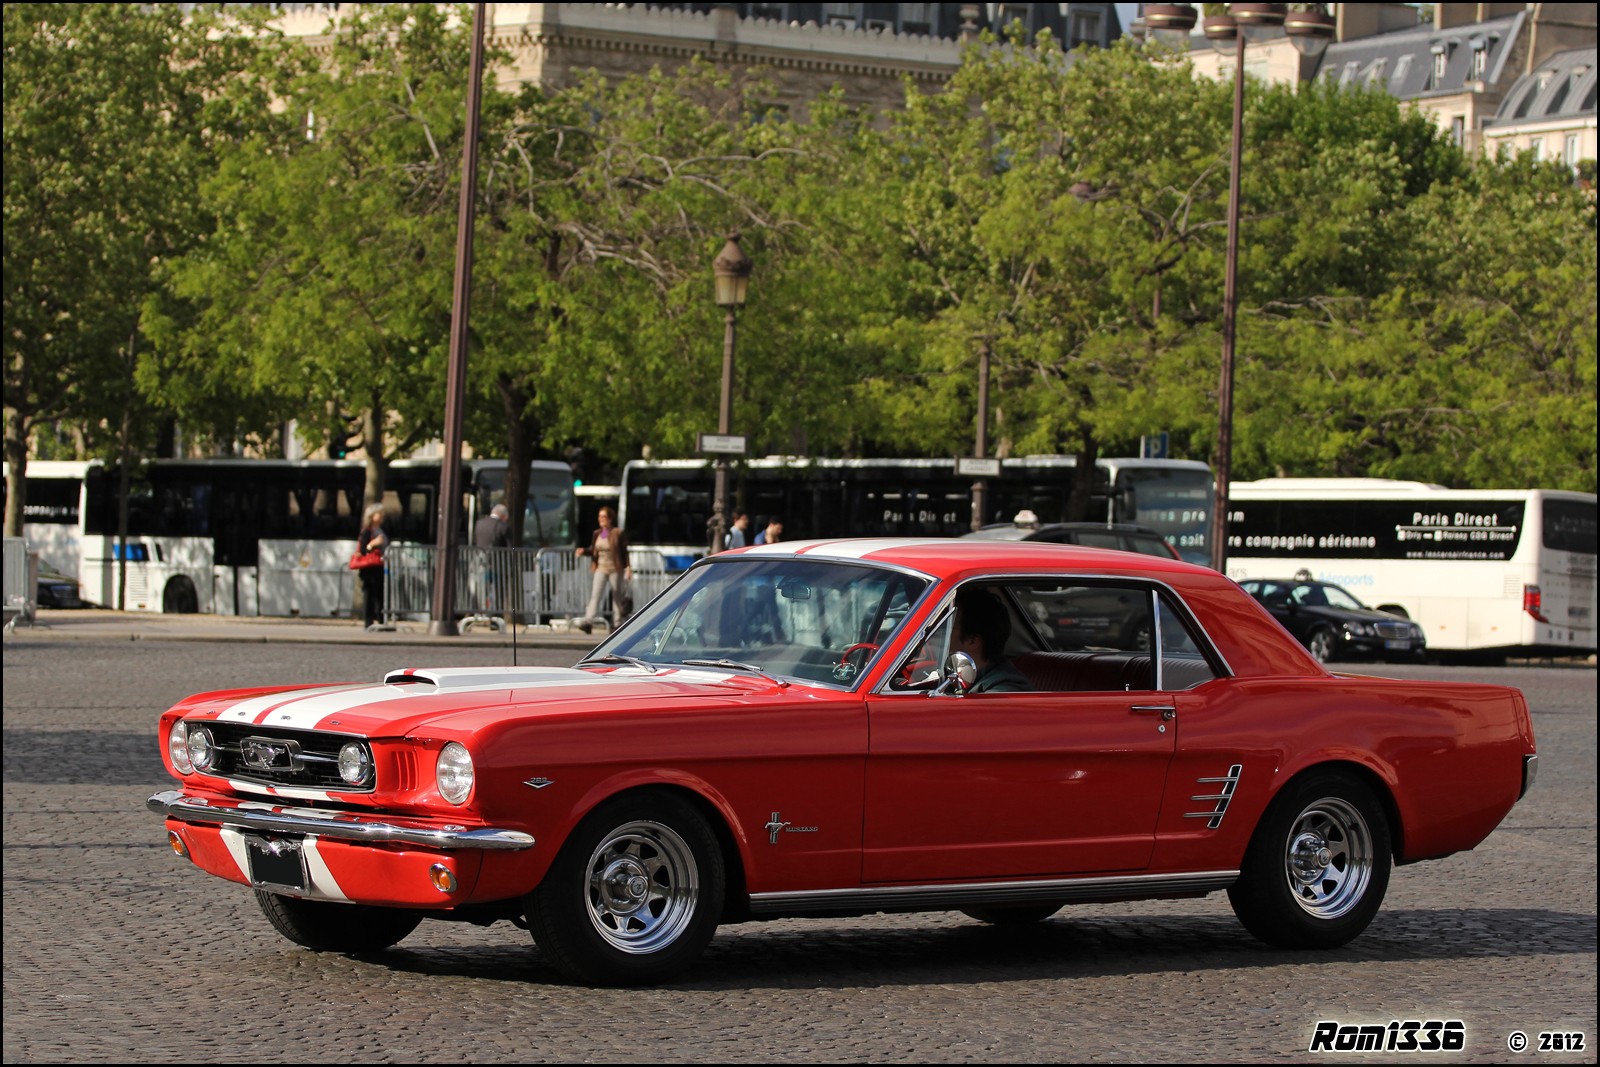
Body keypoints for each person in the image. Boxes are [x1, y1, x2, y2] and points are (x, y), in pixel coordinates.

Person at [952, 587, 1030, 693]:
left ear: (972, 641)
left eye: (947, 628)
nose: (940, 635)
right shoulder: (957, 676)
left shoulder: (1006, 687)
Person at [574, 505, 631, 634]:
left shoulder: (617, 533)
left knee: (616, 596)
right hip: (601, 567)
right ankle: (588, 621)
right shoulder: (598, 533)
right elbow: (593, 550)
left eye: (604, 516)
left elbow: (624, 552)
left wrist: (628, 568)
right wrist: (583, 551)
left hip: (615, 568)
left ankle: (617, 623)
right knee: (596, 594)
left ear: (610, 519)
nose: (601, 519)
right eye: (599, 516)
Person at [356, 504, 388, 631]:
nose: (381, 516)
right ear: (372, 516)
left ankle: (381, 621)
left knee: (380, 595)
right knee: (370, 595)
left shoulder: (381, 530)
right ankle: (368, 622)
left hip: (379, 566)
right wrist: (372, 544)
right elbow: (363, 549)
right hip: (369, 568)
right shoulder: (367, 531)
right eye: (379, 514)